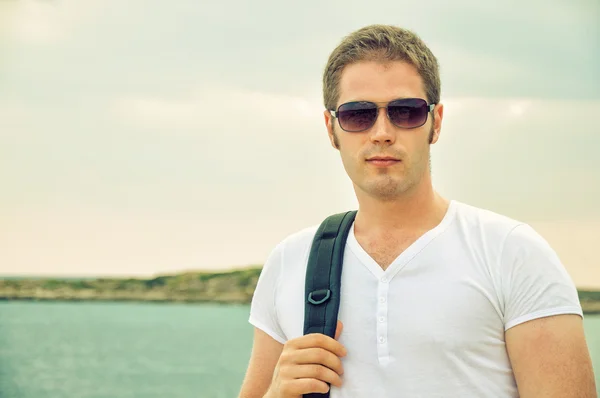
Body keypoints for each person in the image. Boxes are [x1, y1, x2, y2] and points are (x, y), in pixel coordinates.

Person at [237, 24, 597, 398]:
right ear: (331, 129)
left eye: (405, 111)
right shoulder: (290, 262)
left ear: (436, 122)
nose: (382, 132)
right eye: (358, 115)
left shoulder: (512, 253)